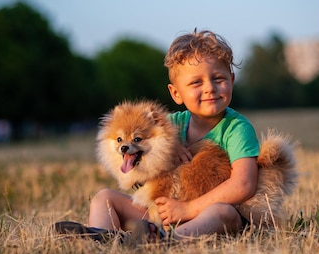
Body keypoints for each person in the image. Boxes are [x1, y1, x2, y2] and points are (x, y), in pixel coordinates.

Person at [54, 30, 259, 242]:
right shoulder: (171, 124)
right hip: (165, 214)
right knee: (104, 198)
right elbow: (150, 149)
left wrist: (188, 209)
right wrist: (174, 145)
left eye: (218, 78)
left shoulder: (237, 128)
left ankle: (167, 240)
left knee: (221, 213)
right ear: (176, 93)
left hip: (216, 216)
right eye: (196, 83)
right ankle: (103, 237)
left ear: (232, 80)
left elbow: (243, 185)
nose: (209, 88)